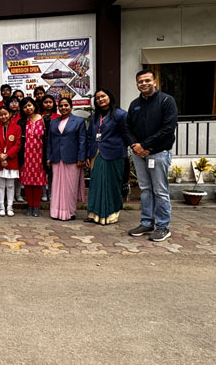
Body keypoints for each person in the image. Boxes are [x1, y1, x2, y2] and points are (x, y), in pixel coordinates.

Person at [125, 69, 178, 242]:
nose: (144, 84)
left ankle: (163, 226)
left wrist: (146, 146)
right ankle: (147, 222)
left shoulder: (166, 101)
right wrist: (135, 145)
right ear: (137, 84)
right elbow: (128, 128)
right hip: (139, 154)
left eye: (147, 80)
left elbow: (168, 128)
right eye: (140, 81)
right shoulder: (134, 104)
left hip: (159, 153)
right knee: (145, 189)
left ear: (154, 81)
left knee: (160, 191)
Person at [85, 88, 128, 226]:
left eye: (103, 96)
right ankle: (94, 214)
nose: (100, 99)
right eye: (97, 98)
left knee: (111, 185)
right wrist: (88, 155)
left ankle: (110, 214)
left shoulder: (121, 115)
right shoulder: (95, 116)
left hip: (114, 154)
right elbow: (90, 136)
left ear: (110, 97)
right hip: (96, 154)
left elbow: (127, 135)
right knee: (96, 184)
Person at [46, 98, 86, 221]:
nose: (63, 108)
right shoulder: (54, 122)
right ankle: (56, 212)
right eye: (61, 106)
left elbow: (82, 141)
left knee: (70, 187)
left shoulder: (78, 121)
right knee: (56, 186)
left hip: (72, 158)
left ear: (71, 106)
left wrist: (81, 157)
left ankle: (70, 212)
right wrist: (48, 157)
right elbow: (49, 141)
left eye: (66, 105)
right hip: (56, 158)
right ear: (58, 107)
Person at [19, 97, 48, 216]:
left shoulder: (44, 119)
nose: (28, 108)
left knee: (38, 182)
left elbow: (47, 139)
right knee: (27, 182)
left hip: (39, 155)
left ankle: (36, 206)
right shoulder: (21, 122)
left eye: (29, 105)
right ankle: (29, 205)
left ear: (34, 106)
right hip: (26, 155)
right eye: (25, 107)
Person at [0, 106, 21, 216]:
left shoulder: (17, 128)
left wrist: (7, 155)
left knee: (10, 185)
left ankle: (10, 207)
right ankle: (1, 207)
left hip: (11, 159)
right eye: (1, 115)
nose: (3, 116)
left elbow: (17, 144)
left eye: (5, 114)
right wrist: (1, 155)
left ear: (10, 114)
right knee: (0, 185)